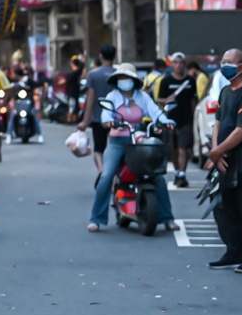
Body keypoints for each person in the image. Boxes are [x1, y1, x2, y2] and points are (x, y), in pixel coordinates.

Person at [87, 63, 175, 232]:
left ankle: (167, 218)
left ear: (133, 80)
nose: (123, 81)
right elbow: (106, 113)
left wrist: (165, 121)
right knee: (106, 176)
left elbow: (155, 111)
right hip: (117, 142)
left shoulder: (142, 96)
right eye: (121, 78)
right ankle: (96, 219)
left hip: (139, 141)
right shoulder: (112, 96)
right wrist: (109, 121)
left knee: (157, 175)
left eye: (126, 78)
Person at [205, 48, 242, 273]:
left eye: (230, 62)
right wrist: (216, 151)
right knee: (227, 209)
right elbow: (218, 123)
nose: (225, 65)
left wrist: (217, 152)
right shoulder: (225, 91)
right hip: (225, 162)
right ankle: (234, 251)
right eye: (223, 61)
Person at [153, 54, 197, 187]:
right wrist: (167, 100)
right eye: (176, 63)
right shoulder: (166, 81)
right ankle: (177, 171)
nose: (178, 65)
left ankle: (182, 174)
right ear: (171, 65)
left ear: (184, 64)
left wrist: (194, 118)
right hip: (170, 120)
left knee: (183, 148)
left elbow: (193, 100)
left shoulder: (190, 81)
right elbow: (159, 99)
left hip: (186, 120)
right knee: (174, 149)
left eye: (181, 63)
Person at [78, 44, 118, 175]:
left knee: (99, 150)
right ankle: (113, 175)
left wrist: (85, 121)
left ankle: (102, 171)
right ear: (114, 57)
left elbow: (90, 99)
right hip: (117, 119)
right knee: (116, 148)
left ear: (101, 56)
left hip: (98, 118)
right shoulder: (118, 75)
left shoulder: (93, 75)